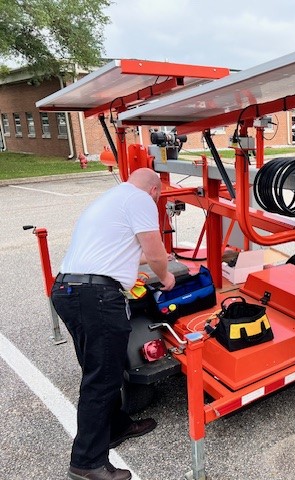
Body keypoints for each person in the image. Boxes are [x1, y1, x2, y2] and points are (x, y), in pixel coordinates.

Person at [51, 168, 176, 480]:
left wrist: (155, 257)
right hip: (96, 297)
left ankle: (116, 427)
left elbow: (124, 252)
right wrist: (166, 275)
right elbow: (152, 248)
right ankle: (87, 463)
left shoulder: (111, 199)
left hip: (69, 290)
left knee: (104, 366)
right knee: (102, 379)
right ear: (156, 192)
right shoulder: (142, 200)